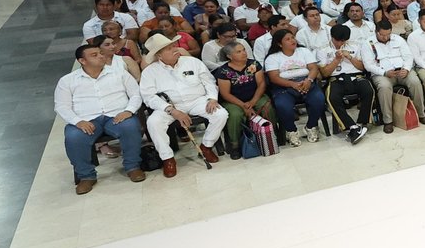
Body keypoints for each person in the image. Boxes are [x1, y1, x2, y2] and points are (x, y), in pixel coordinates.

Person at [55, 42, 146, 193]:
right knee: (73, 136)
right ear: (82, 61)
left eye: (100, 53)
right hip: (86, 119)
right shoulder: (67, 81)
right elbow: (61, 106)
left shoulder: (119, 73)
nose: (101, 57)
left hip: (117, 115)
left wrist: (128, 111)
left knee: (130, 126)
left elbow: (136, 94)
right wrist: (78, 121)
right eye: (94, 55)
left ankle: (133, 167)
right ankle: (86, 176)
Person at [140, 34, 230, 177]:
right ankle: (167, 159)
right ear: (159, 55)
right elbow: (148, 97)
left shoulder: (192, 62)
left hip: (198, 100)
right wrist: (172, 110)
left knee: (221, 114)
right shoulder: (150, 72)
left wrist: (212, 98)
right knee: (153, 122)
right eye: (169, 49)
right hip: (169, 106)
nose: (175, 49)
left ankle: (206, 147)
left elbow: (209, 81)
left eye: (174, 46)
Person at [212, 39, 275, 158]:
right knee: (235, 115)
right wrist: (243, 105)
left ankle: (271, 136)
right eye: (239, 52)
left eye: (244, 50)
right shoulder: (224, 71)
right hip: (233, 101)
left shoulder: (254, 65)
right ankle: (235, 146)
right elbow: (226, 94)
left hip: (255, 96)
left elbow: (261, 84)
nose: (244, 53)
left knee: (266, 106)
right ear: (229, 56)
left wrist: (252, 102)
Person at [263, 28, 327, 146]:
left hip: (306, 82)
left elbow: (313, 68)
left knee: (319, 100)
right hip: (284, 86)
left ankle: (311, 126)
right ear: (279, 44)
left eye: (292, 37)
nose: (292, 41)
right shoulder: (272, 57)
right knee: (283, 106)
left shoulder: (303, 51)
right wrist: (292, 84)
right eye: (287, 39)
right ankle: (291, 131)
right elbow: (274, 78)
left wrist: (308, 80)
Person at [315, 23, 373, 144]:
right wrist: (336, 60)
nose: (340, 43)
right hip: (336, 79)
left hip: (356, 76)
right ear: (331, 36)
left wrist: (350, 58)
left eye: (343, 40)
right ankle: (352, 126)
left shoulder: (356, 46)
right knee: (332, 97)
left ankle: (362, 122)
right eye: (338, 40)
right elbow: (325, 73)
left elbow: (363, 67)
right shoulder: (322, 49)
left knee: (368, 90)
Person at [365, 17, 425, 128]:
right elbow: (368, 65)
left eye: (388, 34)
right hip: (382, 73)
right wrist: (384, 72)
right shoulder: (368, 43)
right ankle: (388, 121)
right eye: (382, 35)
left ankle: (421, 114)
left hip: (402, 70)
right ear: (376, 32)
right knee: (384, 87)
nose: (385, 37)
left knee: (415, 82)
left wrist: (406, 69)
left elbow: (408, 56)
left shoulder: (398, 39)